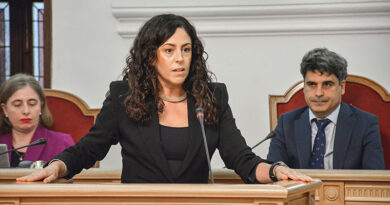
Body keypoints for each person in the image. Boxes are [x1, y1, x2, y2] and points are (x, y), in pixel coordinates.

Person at [17, 14, 313, 183]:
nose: (179, 59)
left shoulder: (212, 97)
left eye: (186, 49)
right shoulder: (124, 97)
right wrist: (55, 166)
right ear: (151, 56)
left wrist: (276, 171)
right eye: (169, 50)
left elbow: (241, 159)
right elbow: (88, 149)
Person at [267, 48, 385, 169]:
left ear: (342, 87)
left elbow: (374, 179)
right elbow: (273, 171)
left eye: (327, 84)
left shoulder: (365, 124)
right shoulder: (287, 122)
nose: (318, 93)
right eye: (312, 84)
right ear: (304, 88)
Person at [0, 73, 74, 167]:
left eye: (32, 104)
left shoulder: (62, 142)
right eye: (17, 105)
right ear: (5, 109)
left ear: (41, 106)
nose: (26, 111)